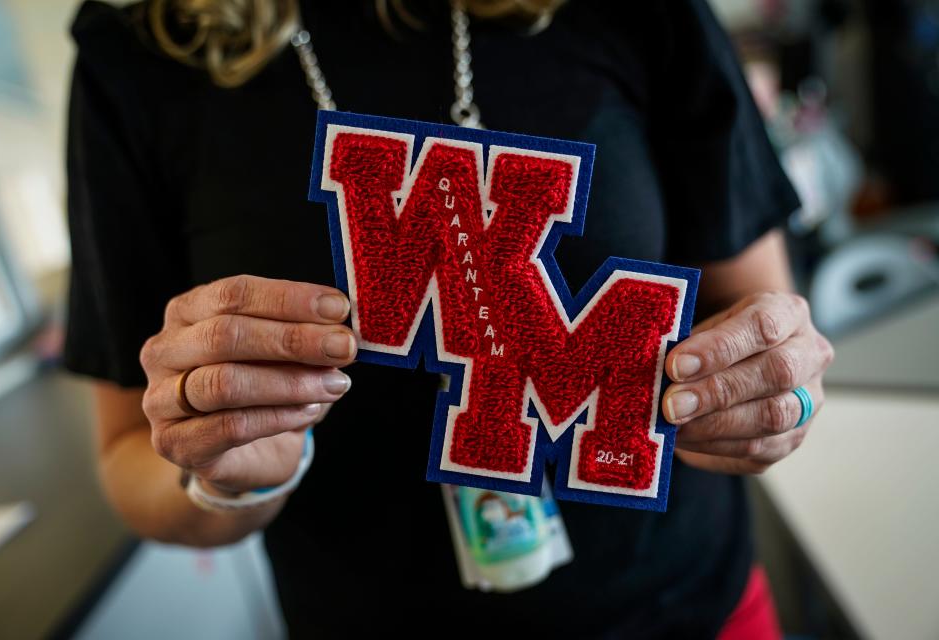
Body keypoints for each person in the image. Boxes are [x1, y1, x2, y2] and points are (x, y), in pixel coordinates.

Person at [63, 0, 834, 637]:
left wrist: (776, 388)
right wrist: (225, 480)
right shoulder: (136, 48)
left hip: (690, 606)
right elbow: (129, 457)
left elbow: (758, 304)